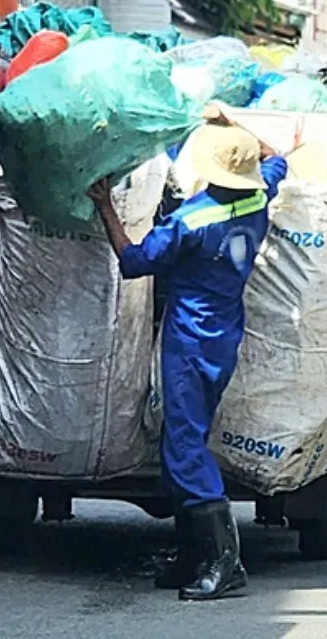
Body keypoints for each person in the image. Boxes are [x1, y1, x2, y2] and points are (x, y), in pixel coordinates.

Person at [87, 116, 289, 601]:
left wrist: (105, 205)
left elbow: (134, 261)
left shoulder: (191, 221)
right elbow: (277, 158)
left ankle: (224, 560)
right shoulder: (259, 197)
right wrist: (234, 125)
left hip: (190, 340)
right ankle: (192, 554)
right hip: (224, 332)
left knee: (185, 446)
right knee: (181, 442)